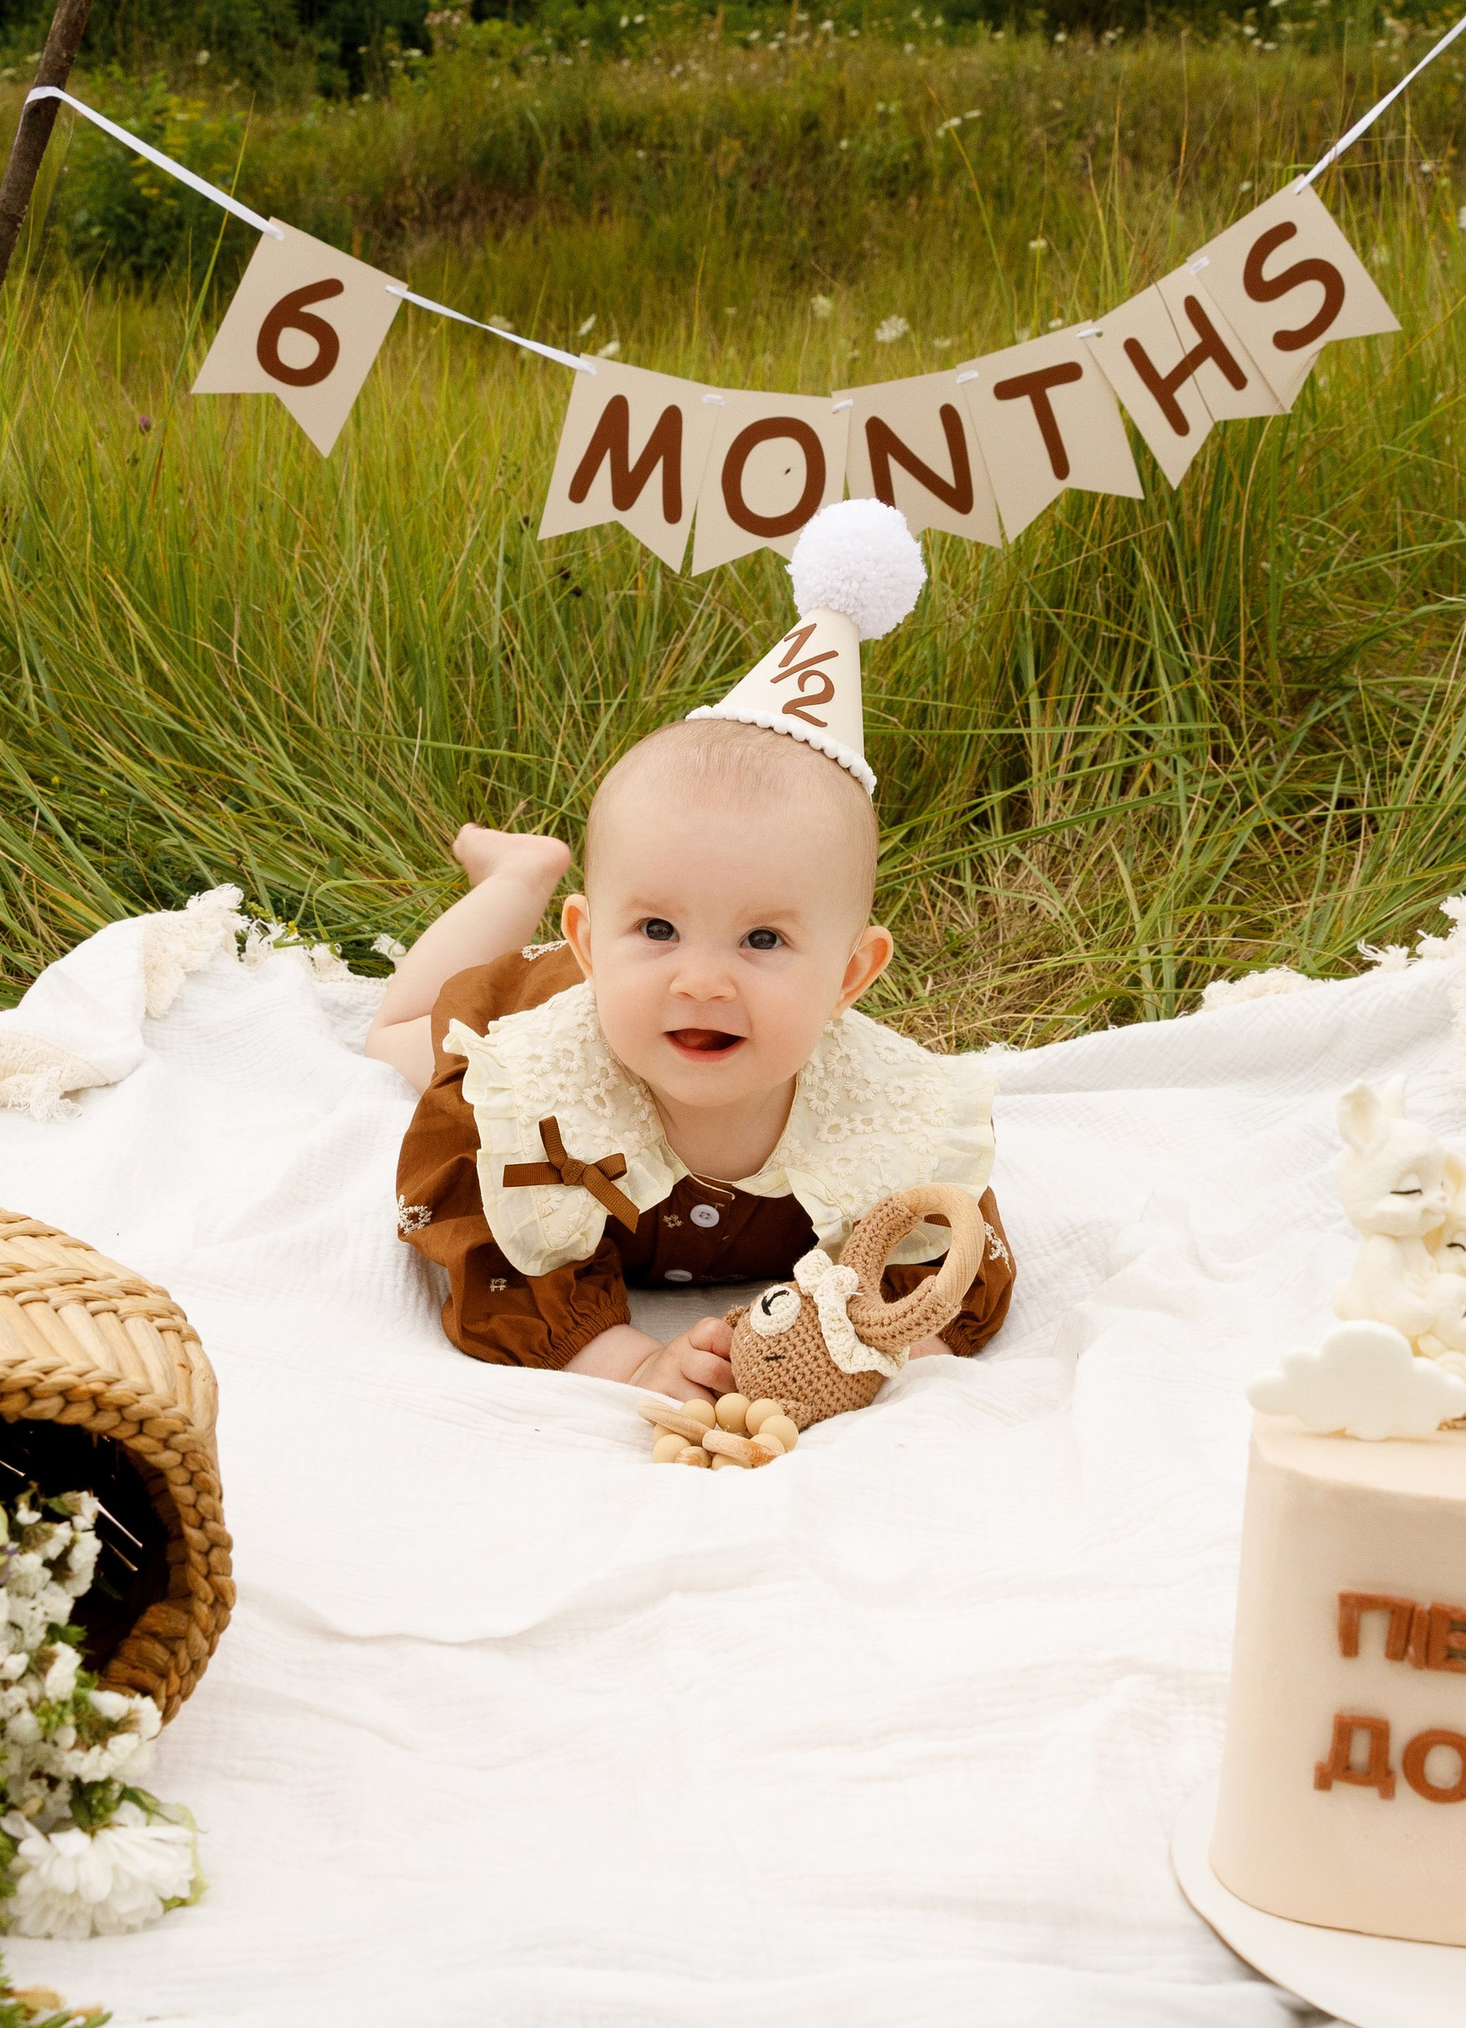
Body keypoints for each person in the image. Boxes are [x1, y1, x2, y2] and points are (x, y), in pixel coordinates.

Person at [366, 504, 1015, 1399]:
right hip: (565, 1000)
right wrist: (633, 1361)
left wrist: (885, 1345)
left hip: (637, 993)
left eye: (763, 939)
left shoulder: (884, 1116)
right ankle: (520, 876)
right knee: (396, 1033)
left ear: (850, 976)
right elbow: (489, 1242)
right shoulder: (533, 1090)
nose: (702, 980)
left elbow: (940, 1253)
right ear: (594, 941)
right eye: (659, 929)